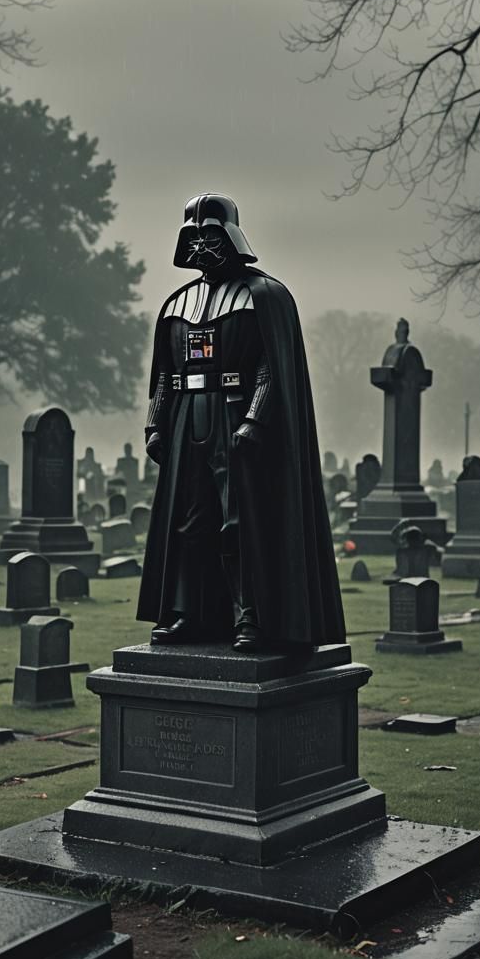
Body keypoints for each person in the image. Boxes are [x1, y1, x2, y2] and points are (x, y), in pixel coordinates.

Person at [138, 192, 344, 652]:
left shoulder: (264, 296)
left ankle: (248, 616)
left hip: (235, 415)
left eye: (210, 234)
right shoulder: (176, 304)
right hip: (188, 420)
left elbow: (271, 368)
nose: (201, 245)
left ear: (230, 234)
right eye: (193, 236)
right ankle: (189, 612)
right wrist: (155, 426)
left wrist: (254, 418)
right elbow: (166, 377)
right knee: (190, 524)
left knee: (239, 521)